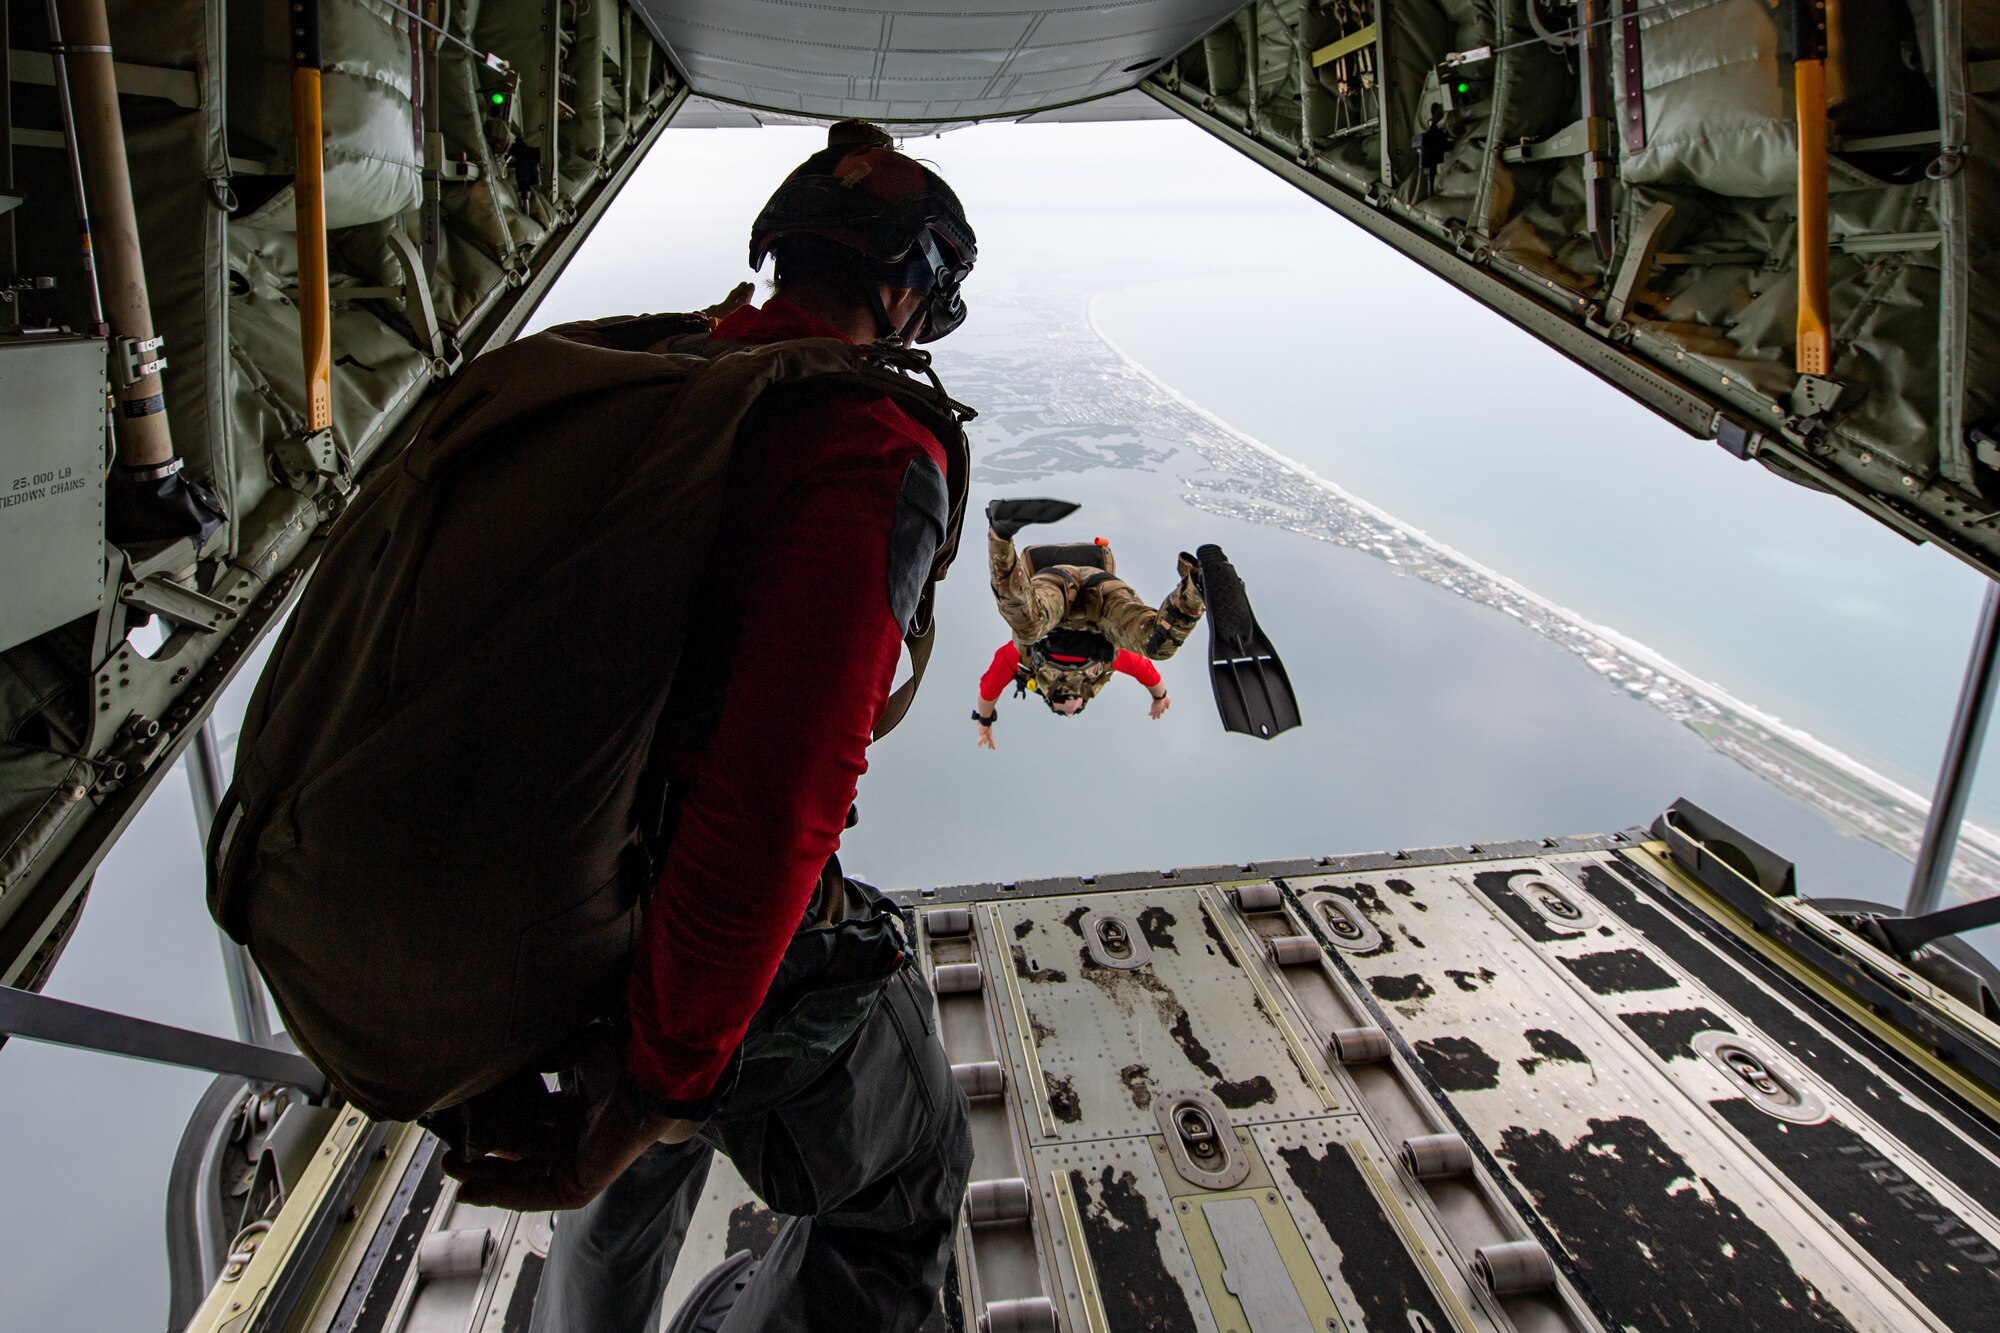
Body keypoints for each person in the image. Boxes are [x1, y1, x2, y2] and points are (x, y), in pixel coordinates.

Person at [442, 122, 979, 1333]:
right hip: (669, 915)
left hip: (542, 899)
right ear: (900, 286)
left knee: (632, 1155)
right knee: (908, 1174)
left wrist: (635, 1096)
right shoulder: (862, 441)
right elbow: (770, 807)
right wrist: (662, 1078)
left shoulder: (654, 376)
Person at [972, 498, 1205, 746]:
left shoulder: (1026, 662)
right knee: (1158, 646)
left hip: (1057, 588)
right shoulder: (1106, 661)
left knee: (1027, 627)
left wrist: (985, 721)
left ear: (1049, 698)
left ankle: (1001, 535)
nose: (1069, 711)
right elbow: (1144, 670)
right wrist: (1160, 696)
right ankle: (1197, 586)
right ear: (1086, 698)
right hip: (1101, 598)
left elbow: (989, 687)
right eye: (1076, 711)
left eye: (1062, 711)